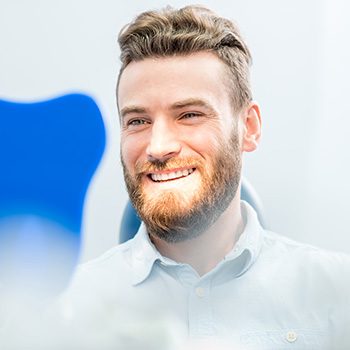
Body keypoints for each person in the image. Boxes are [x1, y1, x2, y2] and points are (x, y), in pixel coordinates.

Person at [58, 5, 350, 349]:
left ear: (249, 128)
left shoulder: (337, 296)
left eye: (190, 114)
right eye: (138, 121)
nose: (158, 146)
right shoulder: (67, 311)